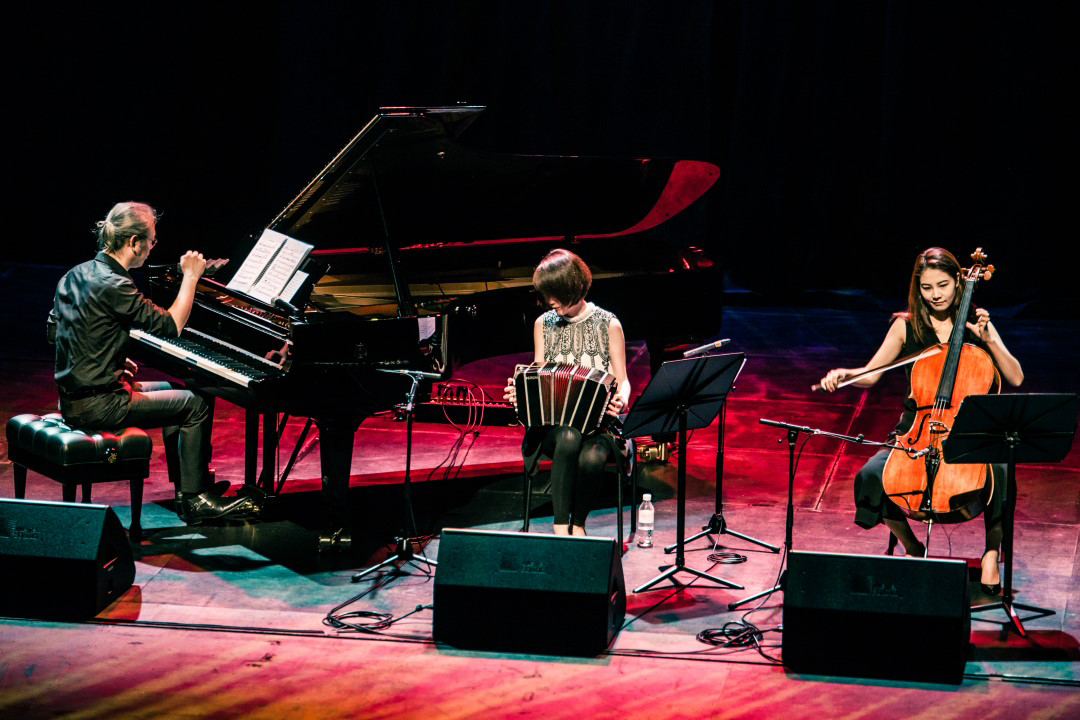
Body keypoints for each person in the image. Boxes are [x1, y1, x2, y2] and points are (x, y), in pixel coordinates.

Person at [818, 247, 1024, 594]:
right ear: (918, 287)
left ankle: (991, 551)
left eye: (942, 285)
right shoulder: (906, 325)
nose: (936, 295)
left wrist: (991, 341)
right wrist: (845, 373)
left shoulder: (978, 324)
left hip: (968, 429)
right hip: (919, 428)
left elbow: (1015, 378)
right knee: (871, 475)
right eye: (927, 288)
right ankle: (912, 544)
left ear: (959, 282)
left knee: (1001, 468)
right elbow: (870, 374)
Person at [47, 202, 257, 524]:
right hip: (101, 405)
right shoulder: (118, 285)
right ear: (134, 243)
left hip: (74, 400)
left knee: (176, 389)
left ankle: (187, 487)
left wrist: (105, 357)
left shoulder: (76, 273)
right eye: (152, 240)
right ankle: (195, 498)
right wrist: (190, 276)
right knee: (196, 404)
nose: (153, 246)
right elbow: (171, 325)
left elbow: (54, 332)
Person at [504, 249, 632, 536]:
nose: (549, 301)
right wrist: (519, 393)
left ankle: (578, 525)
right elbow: (537, 377)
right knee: (568, 434)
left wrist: (621, 399)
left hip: (599, 426)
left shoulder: (608, 324)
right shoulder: (543, 324)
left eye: (555, 293)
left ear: (572, 287)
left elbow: (623, 380)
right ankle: (560, 527)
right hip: (553, 428)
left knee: (593, 456)